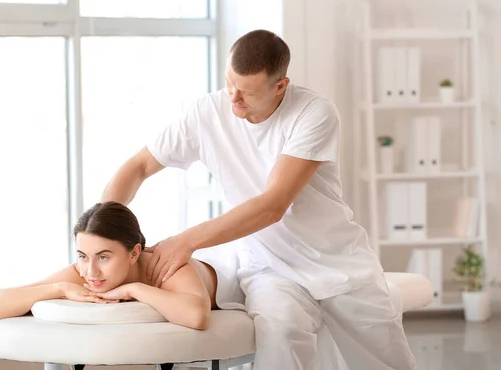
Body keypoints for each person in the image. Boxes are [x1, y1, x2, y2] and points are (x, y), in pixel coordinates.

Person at [100, 29, 417, 369]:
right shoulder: (207, 113)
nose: (233, 99)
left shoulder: (313, 113)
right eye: (229, 84)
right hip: (269, 268)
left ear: (280, 86)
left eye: (247, 93)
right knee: (279, 341)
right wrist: (103, 232)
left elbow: (273, 205)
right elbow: (139, 166)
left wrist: (185, 240)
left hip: (337, 263)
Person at [0, 201, 219, 330]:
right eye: (83, 255)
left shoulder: (166, 266)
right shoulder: (82, 272)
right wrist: (60, 288)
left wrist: (133, 289)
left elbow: (197, 316)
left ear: (134, 253)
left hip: (234, 275)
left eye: (104, 257)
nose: (91, 271)